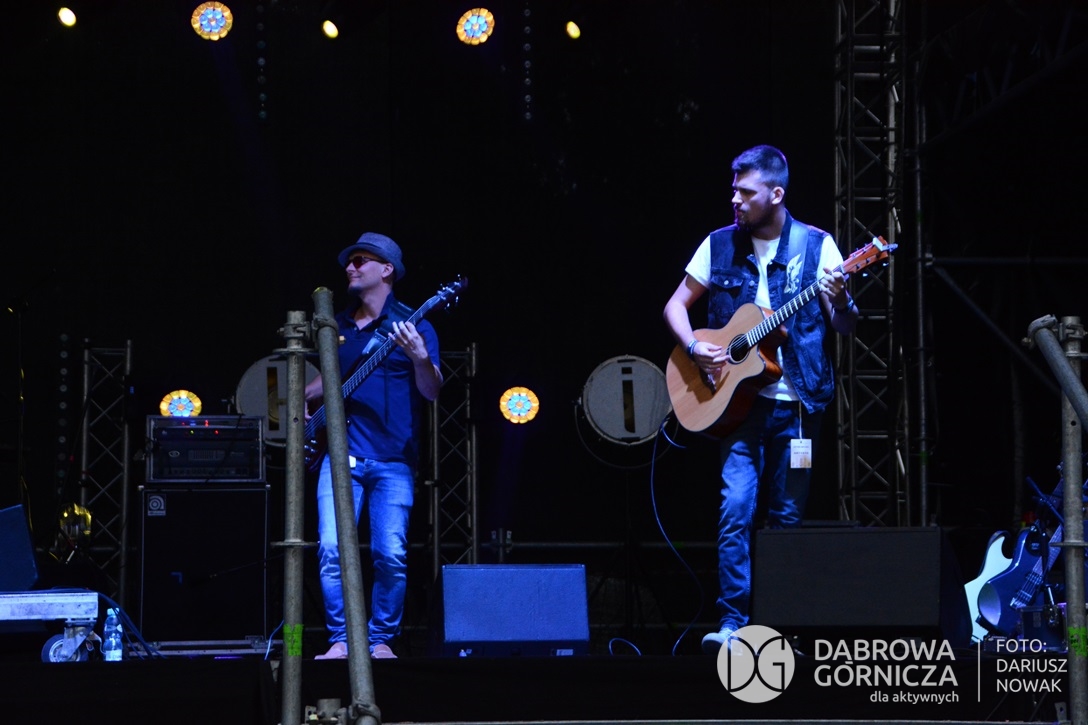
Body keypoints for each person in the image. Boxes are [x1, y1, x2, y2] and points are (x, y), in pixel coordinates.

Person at [662, 145, 858, 654]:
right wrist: (695, 347)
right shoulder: (718, 244)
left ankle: (779, 628)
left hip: (798, 407)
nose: (735, 200)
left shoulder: (818, 246)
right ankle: (732, 624)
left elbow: (844, 325)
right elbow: (676, 306)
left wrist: (840, 300)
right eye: (734, 190)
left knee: (787, 518)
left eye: (745, 193)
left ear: (776, 194)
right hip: (738, 406)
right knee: (735, 510)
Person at [306, 232, 443, 660]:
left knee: (390, 555)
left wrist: (420, 357)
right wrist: (301, 409)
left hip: (394, 461)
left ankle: (380, 639)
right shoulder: (337, 326)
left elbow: (432, 391)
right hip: (339, 456)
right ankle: (342, 639)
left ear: (387, 270)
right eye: (350, 261)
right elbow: (325, 384)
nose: (351, 267)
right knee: (331, 550)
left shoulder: (414, 325)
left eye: (361, 260)